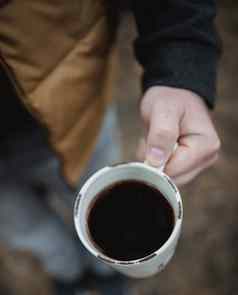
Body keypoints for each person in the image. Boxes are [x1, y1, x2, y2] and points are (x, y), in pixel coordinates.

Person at [0, 0, 221, 294]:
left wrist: (180, 65)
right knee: (28, 230)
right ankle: (68, 273)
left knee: (100, 214)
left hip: (78, 116)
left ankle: (107, 274)